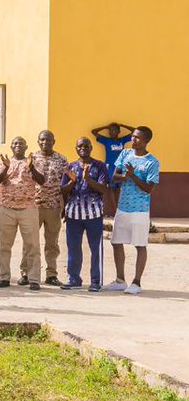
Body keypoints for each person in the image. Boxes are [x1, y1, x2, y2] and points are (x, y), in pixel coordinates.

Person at [105, 126, 159, 295]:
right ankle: (120, 280)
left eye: (137, 138)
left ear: (146, 141)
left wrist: (133, 176)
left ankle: (136, 282)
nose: (133, 140)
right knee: (116, 242)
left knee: (140, 245)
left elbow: (148, 188)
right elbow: (114, 177)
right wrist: (126, 176)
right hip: (122, 207)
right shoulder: (125, 154)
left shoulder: (152, 162)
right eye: (133, 137)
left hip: (140, 211)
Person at [0, 136, 45, 290]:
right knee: (4, 246)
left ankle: (34, 279)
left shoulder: (34, 162)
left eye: (21, 143)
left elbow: (42, 180)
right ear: (11, 146)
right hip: (7, 209)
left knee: (32, 246)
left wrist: (31, 167)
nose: (18, 145)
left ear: (26, 146)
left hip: (28, 209)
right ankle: (4, 277)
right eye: (15, 143)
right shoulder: (4, 162)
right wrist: (6, 167)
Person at [61, 137, 110, 292]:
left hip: (93, 214)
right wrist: (72, 183)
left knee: (96, 248)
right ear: (76, 148)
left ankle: (96, 281)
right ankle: (73, 279)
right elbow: (63, 190)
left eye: (86, 146)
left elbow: (103, 189)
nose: (83, 148)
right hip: (73, 214)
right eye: (80, 146)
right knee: (73, 248)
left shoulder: (100, 167)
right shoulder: (70, 167)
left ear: (91, 148)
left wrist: (88, 179)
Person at [27, 130, 67, 286]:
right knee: (30, 242)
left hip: (53, 207)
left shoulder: (62, 160)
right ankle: (26, 273)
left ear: (54, 142)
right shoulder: (32, 159)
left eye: (49, 140)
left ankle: (51, 274)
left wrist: (65, 204)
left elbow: (65, 184)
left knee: (52, 243)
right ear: (38, 141)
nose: (45, 143)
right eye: (42, 140)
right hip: (34, 206)